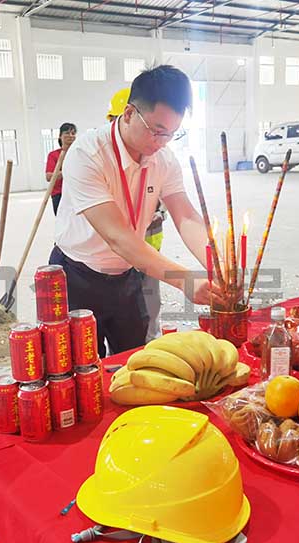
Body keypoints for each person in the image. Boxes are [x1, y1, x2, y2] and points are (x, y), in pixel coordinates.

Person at [51, 65, 218, 357]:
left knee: (136, 360)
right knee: (81, 366)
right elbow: (118, 238)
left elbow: (186, 216)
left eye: (172, 134)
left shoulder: (163, 159)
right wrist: (184, 279)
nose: (162, 143)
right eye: (157, 131)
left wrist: (218, 262)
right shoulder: (86, 155)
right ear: (129, 113)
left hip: (128, 276)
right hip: (77, 276)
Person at [107, 87, 166, 341]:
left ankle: (152, 340)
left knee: (150, 300)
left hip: (149, 244)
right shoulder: (98, 158)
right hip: (114, 257)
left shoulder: (156, 157)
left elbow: (176, 204)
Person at [46, 122, 76, 214]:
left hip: (75, 193)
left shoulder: (78, 154)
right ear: (60, 136)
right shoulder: (53, 155)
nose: (70, 136)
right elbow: (49, 177)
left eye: (73, 133)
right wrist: (67, 171)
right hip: (59, 194)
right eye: (67, 133)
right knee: (61, 219)